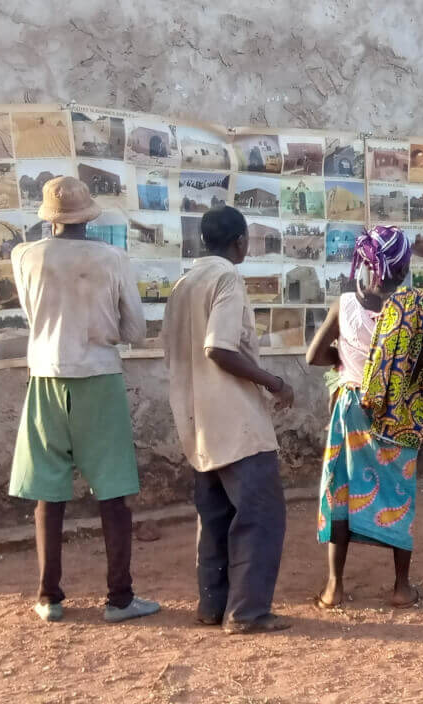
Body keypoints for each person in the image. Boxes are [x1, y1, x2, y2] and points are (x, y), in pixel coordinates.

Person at [5, 176, 157, 624]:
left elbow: (33, 315)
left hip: (46, 375)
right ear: (89, 215)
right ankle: (120, 598)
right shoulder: (111, 258)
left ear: (48, 218)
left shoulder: (24, 256)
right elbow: (134, 331)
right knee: (113, 492)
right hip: (99, 376)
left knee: (48, 495)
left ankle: (49, 596)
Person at [161, 206, 295, 634]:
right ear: (240, 241)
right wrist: (273, 382)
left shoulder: (184, 283)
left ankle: (212, 605)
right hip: (234, 420)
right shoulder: (226, 278)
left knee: (215, 516)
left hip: (197, 419)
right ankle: (248, 612)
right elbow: (218, 347)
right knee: (261, 515)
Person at [306, 225, 423, 610]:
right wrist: (403, 367)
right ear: (404, 267)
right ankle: (401, 587)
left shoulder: (344, 304)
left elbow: (313, 356)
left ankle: (333, 588)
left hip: (352, 410)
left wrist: (347, 363)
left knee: (341, 489)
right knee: (397, 493)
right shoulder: (416, 306)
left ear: (366, 265)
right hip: (398, 411)